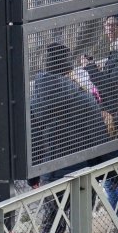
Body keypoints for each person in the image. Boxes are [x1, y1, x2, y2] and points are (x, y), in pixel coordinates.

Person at [29, 41, 109, 177]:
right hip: (82, 172)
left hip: (49, 173)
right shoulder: (84, 99)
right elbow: (98, 137)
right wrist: (108, 172)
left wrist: (33, 177)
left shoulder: (35, 100)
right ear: (69, 70)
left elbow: (34, 139)